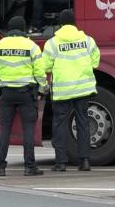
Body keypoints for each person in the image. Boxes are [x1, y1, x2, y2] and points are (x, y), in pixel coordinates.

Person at [0, 16, 48, 176]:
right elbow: (39, 72)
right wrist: (43, 90)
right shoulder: (31, 46)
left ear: (9, 29)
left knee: (4, 130)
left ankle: (0, 167)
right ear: (22, 30)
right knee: (28, 130)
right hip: (26, 94)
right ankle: (29, 167)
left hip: (6, 94)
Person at [43, 10, 100, 172]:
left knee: (60, 124)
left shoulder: (52, 43)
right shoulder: (87, 40)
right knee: (83, 123)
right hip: (83, 89)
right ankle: (85, 161)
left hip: (62, 91)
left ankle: (61, 162)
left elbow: (45, 66)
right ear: (74, 23)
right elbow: (95, 60)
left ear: (60, 24)